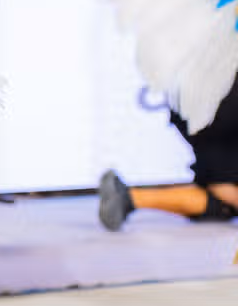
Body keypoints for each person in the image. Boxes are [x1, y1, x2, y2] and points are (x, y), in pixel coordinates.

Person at [99, 78, 238, 231]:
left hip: (205, 97)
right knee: (224, 190)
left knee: (221, 206)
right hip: (216, 100)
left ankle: (127, 199)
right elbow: (224, 187)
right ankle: (126, 198)